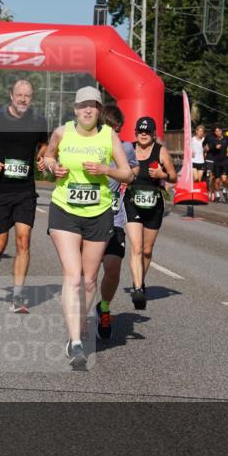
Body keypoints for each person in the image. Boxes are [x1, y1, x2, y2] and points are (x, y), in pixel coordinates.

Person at [42, 86, 134, 368]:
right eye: (83, 105)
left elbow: (127, 174)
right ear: (75, 109)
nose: (88, 110)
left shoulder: (109, 136)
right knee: (73, 275)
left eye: (93, 105)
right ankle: (75, 342)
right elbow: (48, 157)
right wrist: (53, 167)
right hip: (65, 210)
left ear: (99, 109)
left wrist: (106, 170)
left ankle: (80, 321)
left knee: (90, 279)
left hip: (99, 212)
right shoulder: (62, 132)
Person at [0, 80, 49, 312]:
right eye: (20, 95)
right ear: (11, 95)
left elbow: (45, 144)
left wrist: (42, 156)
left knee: (23, 240)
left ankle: (17, 296)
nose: (23, 99)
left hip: (25, 191)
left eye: (28, 95)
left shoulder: (38, 120)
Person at [124, 116, 177, 309]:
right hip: (132, 202)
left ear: (153, 134)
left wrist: (163, 175)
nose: (144, 134)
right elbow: (117, 169)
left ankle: (140, 280)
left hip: (154, 204)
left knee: (147, 250)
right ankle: (138, 289)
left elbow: (174, 177)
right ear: (136, 133)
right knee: (136, 248)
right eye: (141, 131)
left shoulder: (160, 151)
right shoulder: (128, 149)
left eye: (147, 131)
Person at [95, 104, 137, 340]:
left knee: (112, 268)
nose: (113, 134)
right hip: (89, 217)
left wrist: (132, 173)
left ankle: (104, 308)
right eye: (109, 128)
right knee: (86, 273)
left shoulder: (126, 147)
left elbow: (133, 167)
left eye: (117, 130)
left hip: (114, 217)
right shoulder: (88, 146)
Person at [204, 125, 228, 203]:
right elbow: (210, 149)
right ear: (215, 133)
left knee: (224, 179)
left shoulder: (226, 137)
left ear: (221, 131)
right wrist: (215, 147)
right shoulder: (214, 140)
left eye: (219, 131)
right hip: (216, 162)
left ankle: (224, 190)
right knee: (216, 180)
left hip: (224, 161)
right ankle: (217, 195)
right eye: (216, 131)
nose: (218, 132)